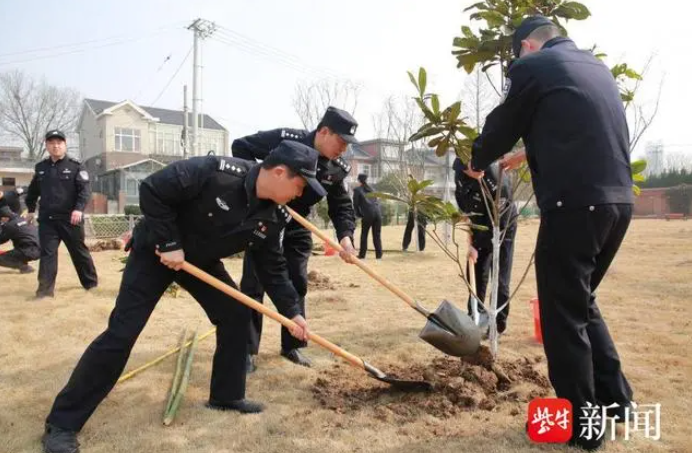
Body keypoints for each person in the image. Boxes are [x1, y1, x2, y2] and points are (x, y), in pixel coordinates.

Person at [41, 141, 319, 453]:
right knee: (123, 332)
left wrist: (293, 312)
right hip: (156, 252)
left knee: (237, 313)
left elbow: (273, 268)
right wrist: (170, 242)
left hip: (199, 263)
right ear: (280, 172)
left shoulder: (275, 216)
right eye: (299, 186)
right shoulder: (215, 173)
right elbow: (153, 190)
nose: (299, 195)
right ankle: (62, 424)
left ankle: (226, 396)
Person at [467, 16, 635, 450]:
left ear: (526, 47)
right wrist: (526, 155)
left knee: (561, 316)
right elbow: (576, 130)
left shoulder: (532, 68)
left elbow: (502, 125)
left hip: (575, 204)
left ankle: (584, 425)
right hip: (617, 202)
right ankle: (616, 401)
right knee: (581, 301)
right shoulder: (594, 66)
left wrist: (478, 157)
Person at [232, 106, 358, 371]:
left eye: (348, 145)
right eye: (341, 142)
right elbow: (240, 147)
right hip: (265, 218)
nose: (344, 150)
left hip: (298, 223)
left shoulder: (337, 167)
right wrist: (260, 191)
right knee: (255, 283)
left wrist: (346, 237)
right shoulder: (285, 139)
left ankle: (292, 345)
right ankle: (244, 350)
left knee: (297, 282)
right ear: (324, 132)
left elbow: (341, 205)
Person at [25, 130, 98, 299]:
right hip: (47, 221)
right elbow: (33, 191)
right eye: (52, 143)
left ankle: (90, 283)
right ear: (47, 145)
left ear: (65, 145)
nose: (55, 146)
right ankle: (44, 292)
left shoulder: (76, 166)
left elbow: (84, 191)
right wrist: (30, 209)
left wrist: (78, 208)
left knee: (79, 252)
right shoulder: (41, 167)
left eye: (59, 142)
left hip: (70, 219)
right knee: (47, 254)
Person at [454, 159, 516, 335]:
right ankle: (475, 314)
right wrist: (472, 241)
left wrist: (478, 244)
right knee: (475, 269)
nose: (472, 172)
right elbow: (463, 202)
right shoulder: (460, 173)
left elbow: (499, 222)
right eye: (467, 170)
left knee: (499, 274)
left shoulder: (497, 180)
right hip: (479, 222)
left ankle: (498, 322)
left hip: (503, 225)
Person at [0, 206, 40, 273]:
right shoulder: (22, 219)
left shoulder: (9, 225)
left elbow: (2, 239)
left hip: (29, 250)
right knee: (18, 250)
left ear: (5, 217)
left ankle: (24, 267)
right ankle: (23, 265)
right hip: (40, 249)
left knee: (3, 257)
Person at [352, 173, 382, 259]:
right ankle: (379, 255)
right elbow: (376, 201)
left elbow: (355, 204)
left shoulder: (357, 190)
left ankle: (362, 255)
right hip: (378, 213)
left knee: (364, 234)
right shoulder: (372, 189)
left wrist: (359, 214)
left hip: (368, 214)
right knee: (377, 235)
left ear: (359, 180)